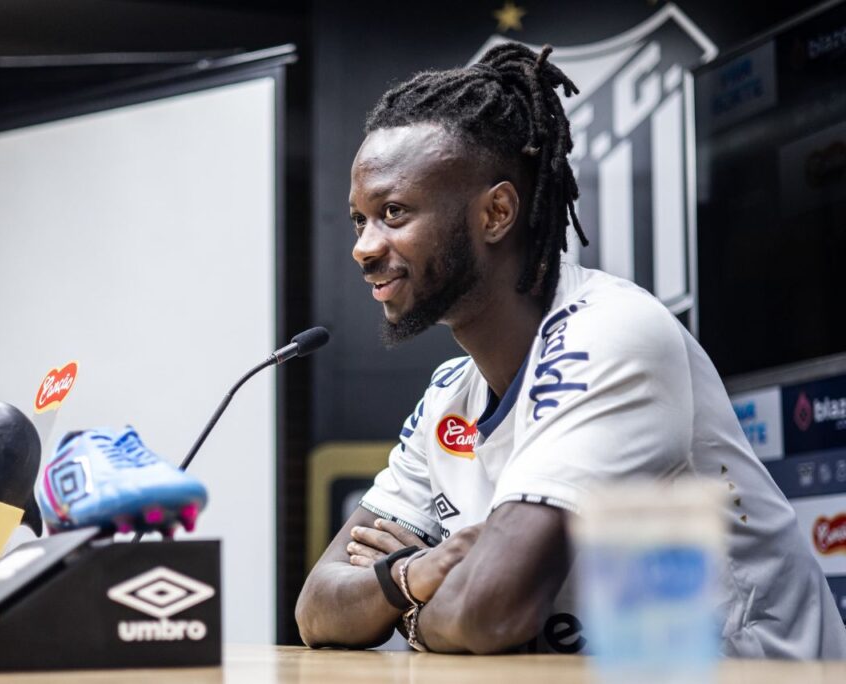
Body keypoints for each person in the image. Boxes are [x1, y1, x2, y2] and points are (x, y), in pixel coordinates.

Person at [294, 42, 846, 658]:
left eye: (393, 213)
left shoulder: (610, 334)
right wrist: (411, 576)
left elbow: (488, 614)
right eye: (359, 220)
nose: (363, 248)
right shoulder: (451, 394)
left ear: (496, 212)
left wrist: (405, 606)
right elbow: (316, 607)